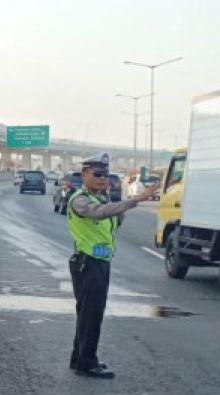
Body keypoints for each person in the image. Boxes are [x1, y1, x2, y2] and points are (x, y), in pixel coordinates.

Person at [67, 152, 158, 379]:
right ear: (84, 174)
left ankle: (79, 357)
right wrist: (136, 200)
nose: (102, 179)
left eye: (105, 175)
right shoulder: (79, 199)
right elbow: (98, 213)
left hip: (100, 262)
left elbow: (113, 221)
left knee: (87, 314)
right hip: (88, 263)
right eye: (97, 174)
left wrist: (115, 205)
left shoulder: (100, 198)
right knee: (91, 315)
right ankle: (87, 362)